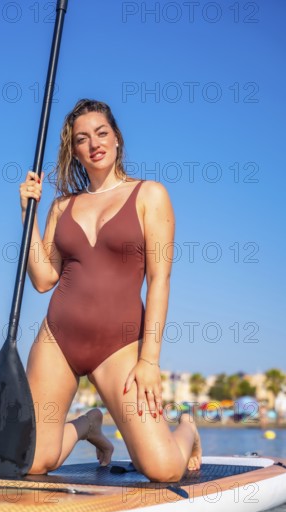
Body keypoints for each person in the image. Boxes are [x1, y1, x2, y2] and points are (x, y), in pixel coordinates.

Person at [19, 98, 201, 482]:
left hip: (118, 347)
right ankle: (87, 425)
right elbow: (42, 279)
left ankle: (188, 429)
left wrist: (149, 361)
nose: (94, 143)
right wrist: (27, 215)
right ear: (75, 151)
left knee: (164, 469)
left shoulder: (150, 195)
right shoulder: (61, 206)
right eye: (82, 139)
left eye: (101, 133)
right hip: (58, 340)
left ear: (116, 137)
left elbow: (160, 280)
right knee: (33, 461)